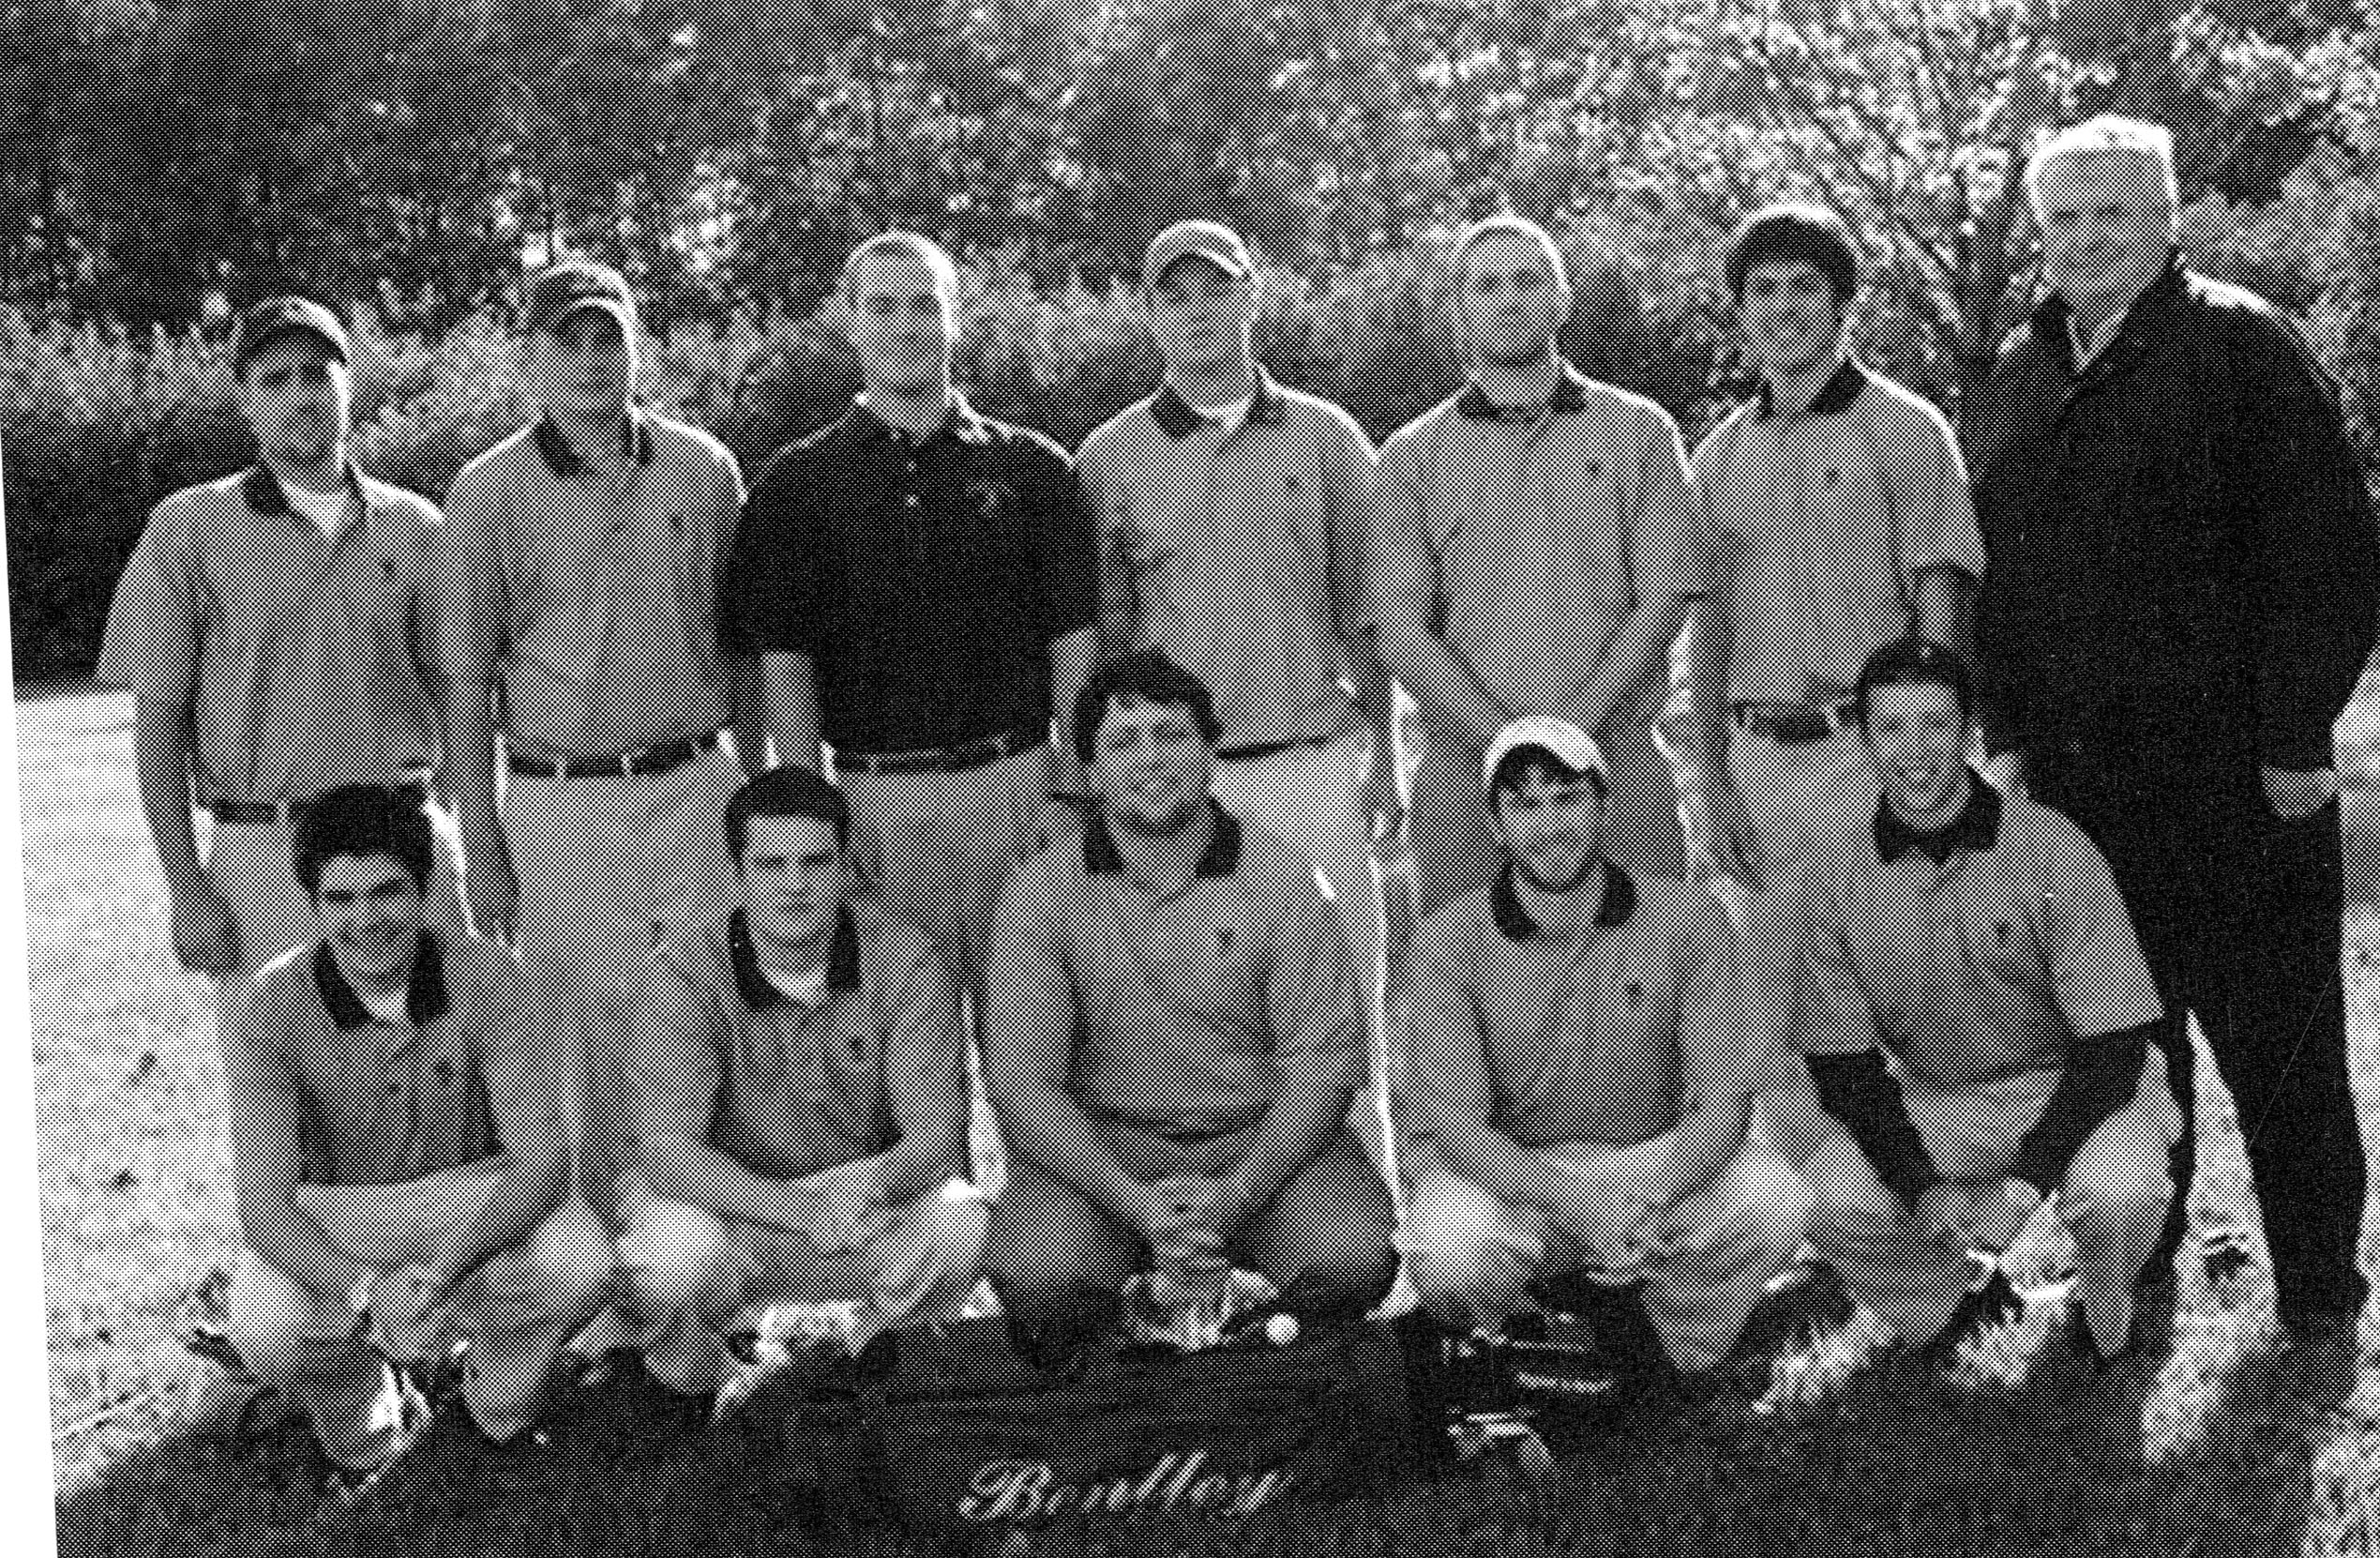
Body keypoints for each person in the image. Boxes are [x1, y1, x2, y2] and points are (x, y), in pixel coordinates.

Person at [1968, 115, 2378, 1343]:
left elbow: (2331, 560)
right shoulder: (2018, 375)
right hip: (2085, 800)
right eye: (2063, 219)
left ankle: (2315, 1291)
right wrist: (2009, 745)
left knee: (2282, 1053)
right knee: (2125, 1054)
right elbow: (1996, 587)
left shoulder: (2242, 348)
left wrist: (2294, 739)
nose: (2085, 239)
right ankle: (2133, 1272)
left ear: (2165, 221)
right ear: (2039, 235)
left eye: (2111, 213)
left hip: (2240, 786)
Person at [1080, 219, 1398, 1187]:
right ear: (1149, 314)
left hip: (1310, 764)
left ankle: (1371, 1240)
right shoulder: (1110, 457)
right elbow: (1104, 643)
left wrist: (1384, 750)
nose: (1197, 310)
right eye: (1173, 294)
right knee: (1192, 1032)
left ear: (1253, 295)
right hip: (1180, 790)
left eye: (1214, 288)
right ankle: (1204, 1255)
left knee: (1344, 1015)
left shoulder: (1326, 436)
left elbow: (1368, 611)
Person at [725, 232, 1099, 999]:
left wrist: (1074, 786)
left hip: (1020, 792)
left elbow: (1074, 642)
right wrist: (813, 814)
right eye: (883, 307)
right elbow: (785, 665)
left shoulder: (1032, 469)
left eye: (925, 305)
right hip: (873, 808)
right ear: (852, 325)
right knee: (905, 1066)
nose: (906, 326)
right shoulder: (796, 487)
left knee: (1042, 1051)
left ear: (955, 319)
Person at [982, 650, 1399, 1331]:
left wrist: (1233, 1197)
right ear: (1088, 769)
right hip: (1110, 1154)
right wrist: (1140, 1205)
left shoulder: (1286, 879)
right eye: (1122, 741)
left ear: (1211, 749)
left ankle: (1262, 1366)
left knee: (1350, 1253)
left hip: (1260, 1150)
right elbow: (1024, 1086)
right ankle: (1123, 1391)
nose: (1150, 757)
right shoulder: (1039, 893)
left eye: (1172, 734)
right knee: (1038, 1270)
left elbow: (1322, 1071)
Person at [1794, 639, 2177, 1368]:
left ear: (1970, 731)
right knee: (1826, 1195)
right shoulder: (1834, 876)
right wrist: (1920, 1185)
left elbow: (2113, 1046)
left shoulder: (2051, 847)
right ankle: (1953, 1308)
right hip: (1942, 1097)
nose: (1914, 750)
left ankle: (2107, 1311)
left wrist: (2026, 1182)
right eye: (1891, 728)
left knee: (2118, 1190)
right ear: (1865, 739)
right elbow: (1844, 1067)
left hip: (2074, 1081)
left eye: (1935, 723)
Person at [215, 784, 615, 1476]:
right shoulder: (269, 1005)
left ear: (427, 889)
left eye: (387, 891)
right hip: (346, 1215)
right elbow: (265, 1206)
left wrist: (440, 1267)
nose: (366, 918)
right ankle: (366, 1431)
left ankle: (497, 1404)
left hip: (473, 1200)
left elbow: (544, 1160)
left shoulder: (489, 974)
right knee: (268, 1322)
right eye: (340, 899)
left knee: (580, 1260)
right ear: (310, 904)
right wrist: (367, 1293)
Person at [1396, 716, 1810, 1383]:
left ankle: (1664, 1350)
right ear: (1497, 825)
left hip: (1652, 1166)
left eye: (1568, 798)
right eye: (1525, 805)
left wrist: (1649, 1197)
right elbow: (1457, 1126)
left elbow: (1725, 1102)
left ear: (1606, 805)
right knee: (1450, 1246)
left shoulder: (1688, 914)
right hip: (1523, 1174)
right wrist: (1577, 1203)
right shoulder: (1446, 940)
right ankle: (1530, 1358)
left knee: (1775, 1197)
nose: (1550, 825)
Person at [97, 296, 465, 984]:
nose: (301, 394)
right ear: (244, 398)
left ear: (350, 384)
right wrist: (186, 884)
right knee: (275, 1077)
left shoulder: (417, 525)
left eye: (318, 373)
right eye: (276, 379)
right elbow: (159, 722)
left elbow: (459, 692)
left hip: (404, 851)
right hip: (262, 854)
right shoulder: (187, 528)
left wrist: (446, 827)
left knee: (435, 1078)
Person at [436, 256, 749, 1032]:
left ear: (637, 347)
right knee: (587, 1052)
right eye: (565, 341)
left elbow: (741, 649)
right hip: (560, 808)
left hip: (698, 794)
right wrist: (482, 842)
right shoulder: (485, 493)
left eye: (606, 338)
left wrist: (759, 792)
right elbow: (467, 684)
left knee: (719, 1023)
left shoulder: (704, 470)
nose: (589, 360)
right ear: (532, 356)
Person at [610, 765, 988, 1399]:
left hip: (860, 1198)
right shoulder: (682, 971)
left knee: (960, 1225)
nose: (795, 885)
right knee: (669, 1261)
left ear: (846, 867)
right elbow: (668, 1152)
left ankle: (880, 1366)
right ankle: (697, 1384)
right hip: (730, 1201)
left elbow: (939, 1130)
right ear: (736, 875)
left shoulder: (906, 957)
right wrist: (802, 1210)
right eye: (771, 864)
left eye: (816, 862)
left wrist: (869, 1186)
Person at [1376, 216, 1706, 921]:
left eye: (1529, 280)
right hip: (1466, 785)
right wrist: (1509, 748)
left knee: (1650, 998)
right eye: (1487, 285)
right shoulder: (1409, 457)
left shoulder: (1641, 433)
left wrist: (1569, 744)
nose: (1509, 299)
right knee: (1468, 1007)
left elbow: (1664, 600)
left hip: (1616, 765)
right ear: (1460, 312)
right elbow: (1402, 631)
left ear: (1561, 301)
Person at [1682, 204, 1985, 908]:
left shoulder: (1906, 430)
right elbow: (1712, 629)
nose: (1783, 308)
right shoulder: (1718, 457)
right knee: (1784, 997)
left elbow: (1940, 610)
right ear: (1740, 308)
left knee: (1908, 992)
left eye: (1805, 287)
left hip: (1873, 755)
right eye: (1763, 289)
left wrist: (1928, 760)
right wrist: (1712, 775)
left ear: (1845, 304)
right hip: (1756, 764)